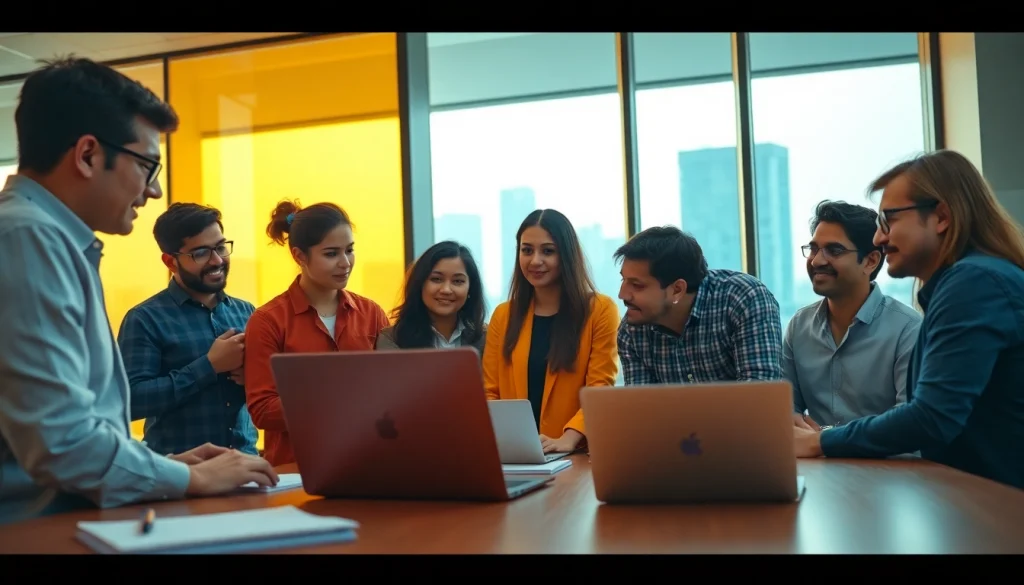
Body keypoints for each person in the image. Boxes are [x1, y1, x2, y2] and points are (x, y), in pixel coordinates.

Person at [0, 57, 276, 524]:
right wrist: (192, 480)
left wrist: (162, 468)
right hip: (39, 529)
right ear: (88, 155)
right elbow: (62, 442)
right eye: (147, 164)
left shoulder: (49, 240)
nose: (153, 190)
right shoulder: (28, 240)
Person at [793, 150, 1024, 490]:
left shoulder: (973, 284)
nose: (878, 238)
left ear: (941, 216)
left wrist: (820, 441)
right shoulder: (967, 283)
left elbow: (930, 418)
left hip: (1001, 508)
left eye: (889, 220)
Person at [245, 200, 389, 466]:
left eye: (350, 250)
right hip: (295, 471)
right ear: (299, 256)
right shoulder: (268, 321)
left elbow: (391, 390)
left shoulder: (372, 314)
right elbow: (263, 409)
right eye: (331, 253)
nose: (345, 263)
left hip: (368, 461)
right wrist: (338, 405)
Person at [118, 202, 259, 457]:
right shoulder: (145, 319)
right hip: (180, 475)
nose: (217, 260)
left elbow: (268, 395)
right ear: (170, 261)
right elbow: (130, 401)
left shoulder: (247, 312)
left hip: (246, 466)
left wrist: (256, 379)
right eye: (201, 253)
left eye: (220, 247)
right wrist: (209, 366)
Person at [482, 209, 619, 454]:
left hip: (575, 454)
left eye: (548, 251)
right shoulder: (504, 316)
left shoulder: (599, 310)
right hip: (514, 454)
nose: (535, 261)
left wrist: (569, 437)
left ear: (566, 255)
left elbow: (600, 387)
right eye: (526, 250)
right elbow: (489, 391)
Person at [786, 200, 921, 430]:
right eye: (814, 249)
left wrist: (826, 440)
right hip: (817, 464)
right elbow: (786, 406)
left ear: (870, 261)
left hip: (890, 465)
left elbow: (909, 423)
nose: (817, 260)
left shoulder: (908, 329)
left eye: (834, 250)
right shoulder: (799, 326)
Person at [615, 226, 783, 385]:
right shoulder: (632, 330)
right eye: (623, 280)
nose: (622, 294)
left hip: (743, 417)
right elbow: (641, 409)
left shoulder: (743, 299)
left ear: (677, 289)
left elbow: (758, 397)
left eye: (637, 285)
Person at [376, 240, 487, 355]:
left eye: (457, 281)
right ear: (420, 284)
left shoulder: (487, 338)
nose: (446, 290)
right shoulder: (393, 338)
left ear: (471, 288)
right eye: (436, 279)